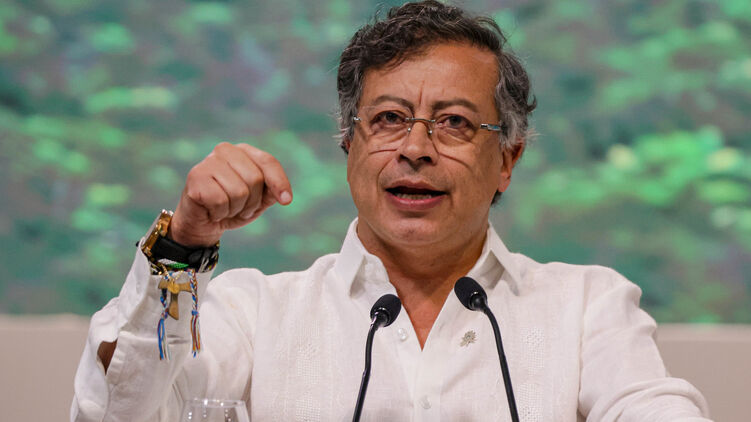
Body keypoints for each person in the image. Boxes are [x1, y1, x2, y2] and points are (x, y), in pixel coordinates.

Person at [71, 1, 712, 421]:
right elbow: (118, 413)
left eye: (454, 122)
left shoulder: (587, 308)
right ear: (348, 144)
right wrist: (183, 245)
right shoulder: (253, 313)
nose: (415, 148)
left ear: (508, 159)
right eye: (388, 119)